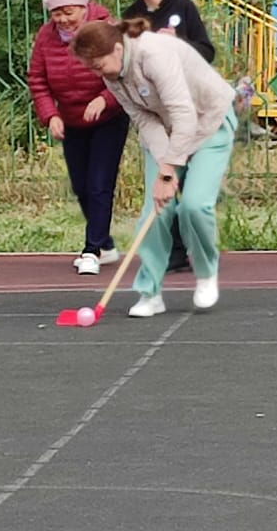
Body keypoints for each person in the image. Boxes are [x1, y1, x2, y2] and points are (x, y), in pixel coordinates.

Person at [70, 17, 236, 316]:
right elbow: (144, 119)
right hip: (167, 133)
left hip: (208, 122)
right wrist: (164, 168)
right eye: (91, 68)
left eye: (98, 65)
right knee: (154, 211)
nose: (97, 73)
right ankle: (150, 293)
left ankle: (206, 273)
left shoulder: (154, 55)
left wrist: (169, 172)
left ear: (117, 49)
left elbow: (183, 113)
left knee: (194, 206)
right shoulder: (111, 75)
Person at [121, 0, 215, 275]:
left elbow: (207, 51)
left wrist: (178, 45)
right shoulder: (130, 16)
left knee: (191, 188)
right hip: (156, 113)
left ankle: (200, 247)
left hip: (190, 108)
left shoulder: (182, 7)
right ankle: (173, 253)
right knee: (163, 180)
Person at [27, 0, 129, 276]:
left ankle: (91, 250)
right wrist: (51, 115)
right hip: (72, 120)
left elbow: (125, 71)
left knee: (99, 183)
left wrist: (105, 99)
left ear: (84, 8)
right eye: (56, 13)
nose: (63, 19)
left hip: (108, 118)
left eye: (69, 12)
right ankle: (105, 244)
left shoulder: (105, 29)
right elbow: (37, 80)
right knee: (81, 186)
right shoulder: (46, 37)